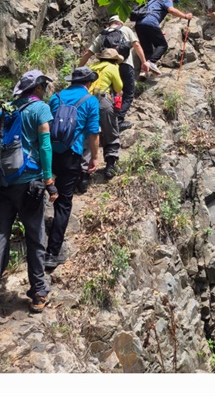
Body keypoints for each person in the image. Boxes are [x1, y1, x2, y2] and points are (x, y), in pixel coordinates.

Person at [0, 70, 59, 324]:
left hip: (1, 185)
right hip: (28, 185)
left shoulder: (8, 109)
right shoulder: (40, 109)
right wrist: (49, 180)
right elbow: (45, 145)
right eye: (44, 85)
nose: (45, 89)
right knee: (35, 237)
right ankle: (37, 292)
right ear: (38, 87)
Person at [45, 66, 102, 272]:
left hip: (50, 153)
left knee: (47, 188)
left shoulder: (56, 97)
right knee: (63, 203)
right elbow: (93, 133)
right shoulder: (90, 101)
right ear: (88, 83)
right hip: (72, 155)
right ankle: (52, 253)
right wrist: (94, 158)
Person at [77, 15, 150, 128]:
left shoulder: (103, 34)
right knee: (129, 93)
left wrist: (79, 69)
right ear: (120, 23)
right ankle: (118, 121)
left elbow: (88, 53)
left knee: (110, 93)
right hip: (125, 64)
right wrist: (144, 62)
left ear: (110, 23)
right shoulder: (125, 29)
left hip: (107, 66)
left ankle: (106, 119)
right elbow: (136, 45)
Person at [88, 49, 125, 181]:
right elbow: (119, 87)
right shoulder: (112, 67)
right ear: (115, 60)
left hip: (87, 101)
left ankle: (84, 172)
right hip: (103, 101)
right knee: (110, 131)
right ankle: (110, 165)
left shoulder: (92, 67)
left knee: (89, 133)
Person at [134, 0, 194, 68]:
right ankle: (150, 63)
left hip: (139, 24)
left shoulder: (153, 0)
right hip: (150, 23)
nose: (172, 1)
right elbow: (171, 10)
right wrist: (185, 16)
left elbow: (150, 15)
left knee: (147, 49)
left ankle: (144, 72)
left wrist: (158, 31)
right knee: (162, 45)